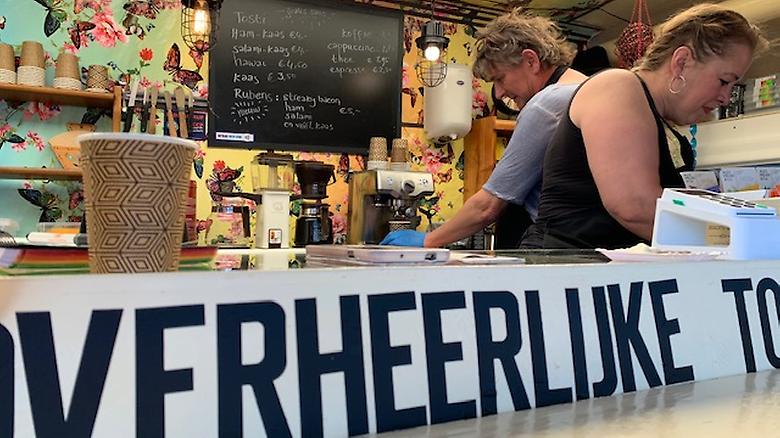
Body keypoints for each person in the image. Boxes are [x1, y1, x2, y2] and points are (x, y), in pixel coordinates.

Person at [521, 3, 768, 250]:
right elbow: (634, 207)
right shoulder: (618, 87)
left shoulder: (656, 117)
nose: (726, 97)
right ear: (681, 62)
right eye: (724, 81)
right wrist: (745, 239)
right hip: (567, 273)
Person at [380, 9, 587, 248]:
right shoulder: (584, 88)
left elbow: (488, 206)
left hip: (554, 246)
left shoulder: (546, 105)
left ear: (531, 60)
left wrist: (429, 239)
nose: (498, 94)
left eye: (500, 78)